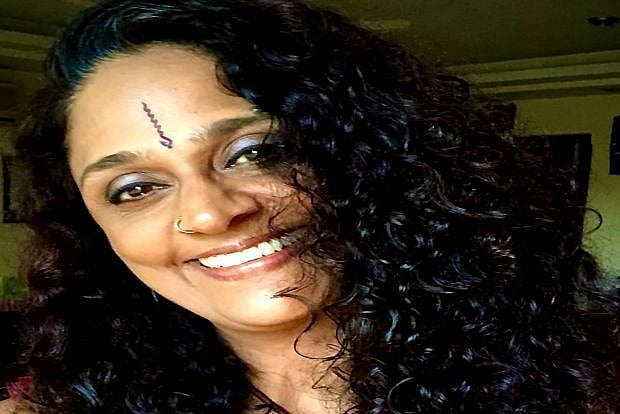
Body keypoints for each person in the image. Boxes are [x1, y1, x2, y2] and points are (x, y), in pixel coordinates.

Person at [1, 0, 620, 412]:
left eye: (256, 152)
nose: (211, 214)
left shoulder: (589, 388)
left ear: (370, 156)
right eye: (135, 188)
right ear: (92, 232)